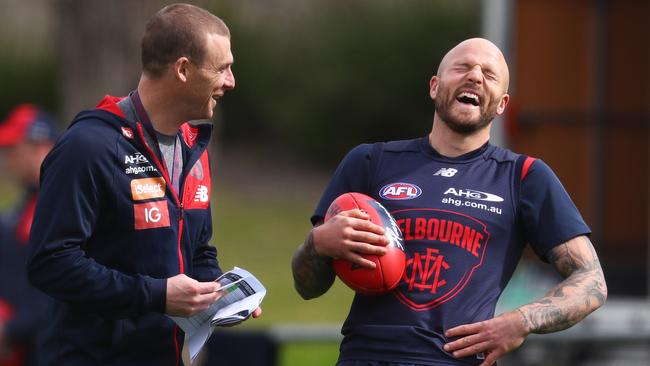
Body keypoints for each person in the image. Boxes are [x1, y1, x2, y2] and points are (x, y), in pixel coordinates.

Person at [291, 38, 607, 366]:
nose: (474, 76)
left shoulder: (524, 176)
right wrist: (317, 244)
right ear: (434, 86)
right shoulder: (370, 161)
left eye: (489, 74)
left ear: (502, 104)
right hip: (366, 356)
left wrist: (521, 321)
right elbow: (307, 287)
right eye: (462, 67)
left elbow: (592, 280)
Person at [27, 4, 259, 365]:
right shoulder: (89, 146)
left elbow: (198, 250)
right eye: (222, 68)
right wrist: (156, 295)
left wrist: (218, 293)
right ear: (182, 69)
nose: (231, 81)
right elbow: (50, 263)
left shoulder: (194, 149)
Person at [0, 105, 58, 366]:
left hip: (50, 347)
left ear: (40, 147)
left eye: (13, 149)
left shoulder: (60, 204)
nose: (7, 159)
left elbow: (57, 286)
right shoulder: (27, 203)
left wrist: (11, 329)